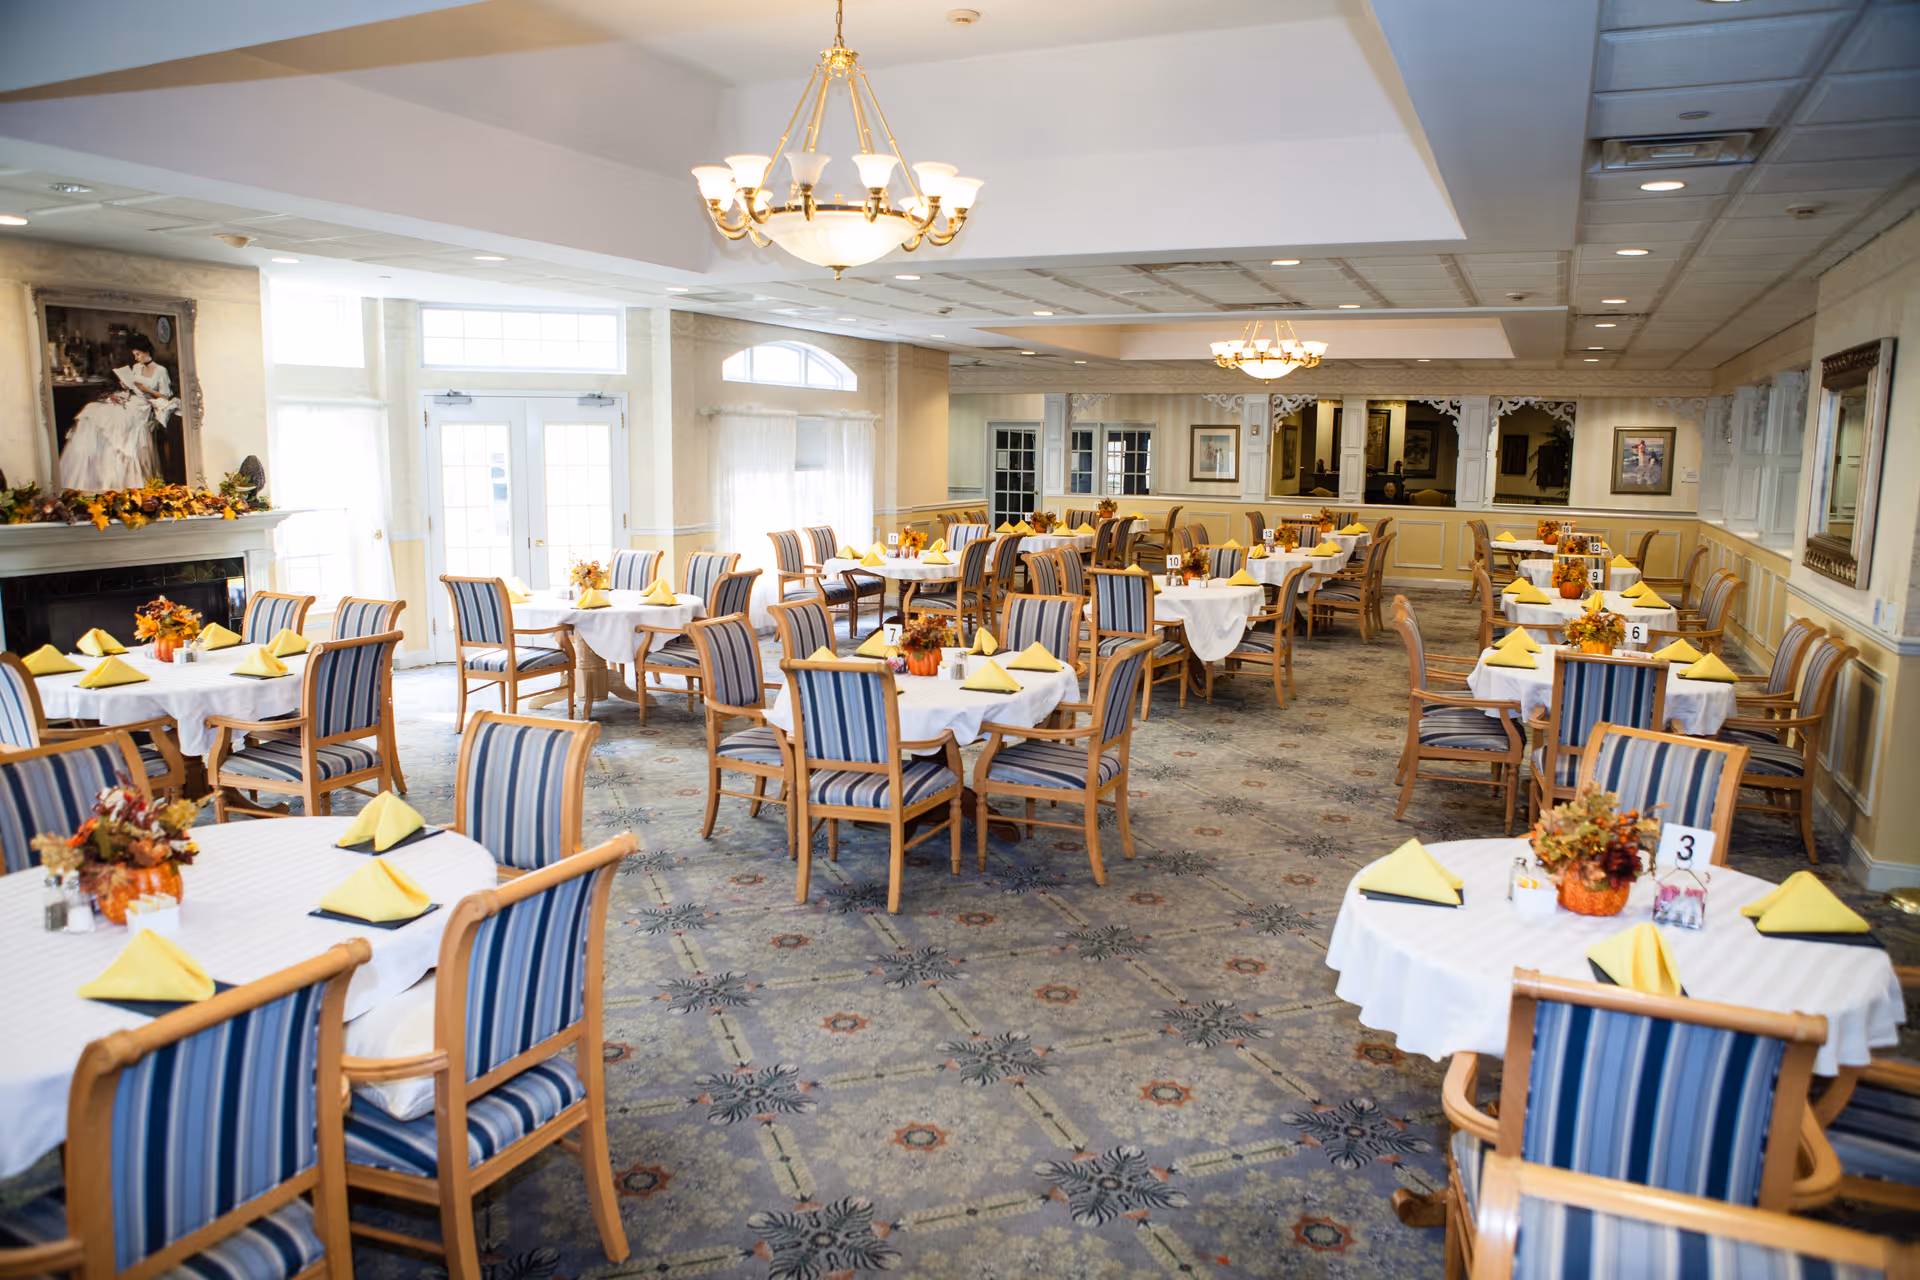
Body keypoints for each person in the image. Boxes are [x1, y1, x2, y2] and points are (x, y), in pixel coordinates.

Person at [58, 335, 169, 490]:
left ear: (147, 351)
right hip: (130, 399)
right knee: (92, 410)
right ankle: (90, 476)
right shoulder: (137, 367)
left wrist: (147, 390)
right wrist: (125, 386)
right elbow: (133, 387)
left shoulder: (160, 371)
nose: (136, 358)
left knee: (112, 421)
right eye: (134, 355)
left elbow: (165, 396)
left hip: (144, 406)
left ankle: (114, 478)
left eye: (138, 354)